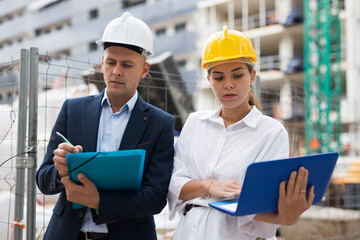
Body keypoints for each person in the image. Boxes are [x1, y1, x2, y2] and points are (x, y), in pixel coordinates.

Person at [36, 12, 175, 240]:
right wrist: (59, 170)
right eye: (111, 62)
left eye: (127, 65)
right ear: (102, 63)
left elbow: (156, 197)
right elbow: (44, 179)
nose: (116, 71)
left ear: (144, 70)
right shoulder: (73, 110)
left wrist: (99, 201)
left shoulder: (160, 123)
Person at [167, 26, 315, 240]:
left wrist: (287, 216)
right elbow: (173, 184)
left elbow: (261, 206)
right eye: (218, 77)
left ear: (252, 75)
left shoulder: (271, 133)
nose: (228, 85)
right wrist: (209, 186)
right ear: (209, 80)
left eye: (237, 75)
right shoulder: (195, 123)